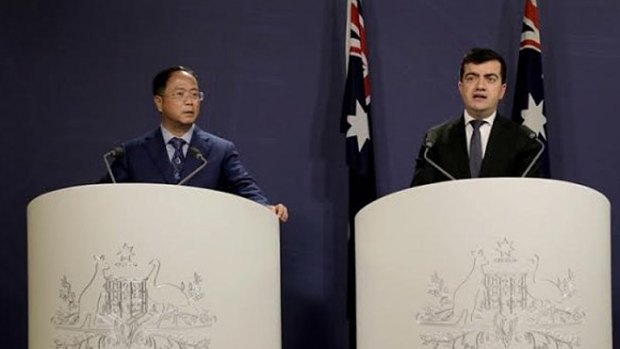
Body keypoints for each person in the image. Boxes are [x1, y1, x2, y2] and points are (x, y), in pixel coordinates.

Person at [103, 66, 288, 222]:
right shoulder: (132, 153)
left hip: (200, 246)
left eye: (194, 94)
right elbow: (101, 198)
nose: (189, 101)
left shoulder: (220, 151)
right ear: (159, 102)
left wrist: (265, 208)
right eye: (180, 94)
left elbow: (244, 187)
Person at [410, 48, 542, 187]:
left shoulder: (524, 142)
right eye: (471, 78)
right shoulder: (435, 141)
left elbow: (530, 198)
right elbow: (420, 197)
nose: (480, 86)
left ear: (502, 90)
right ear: (461, 88)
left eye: (490, 79)